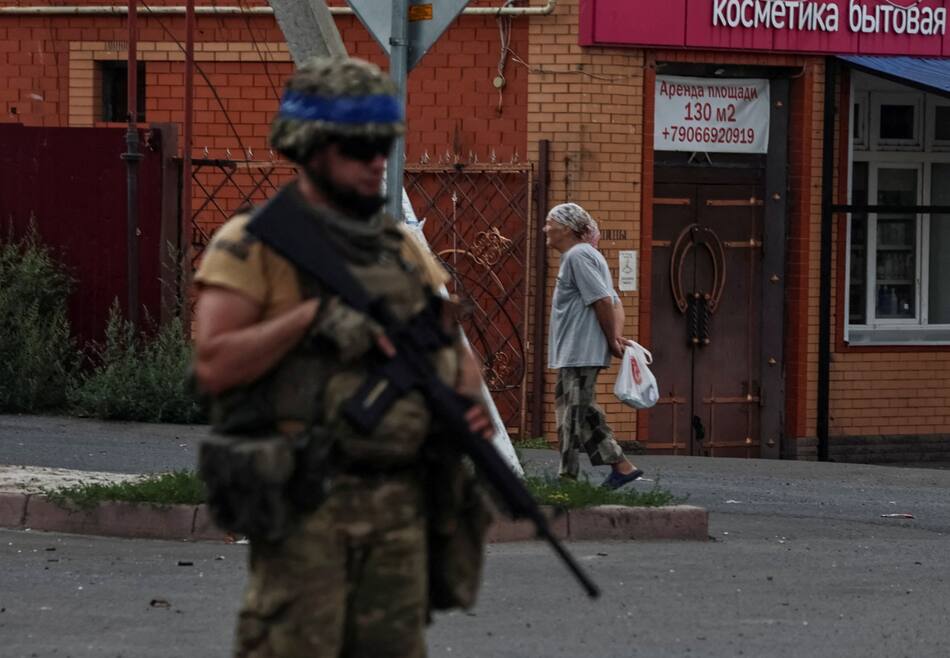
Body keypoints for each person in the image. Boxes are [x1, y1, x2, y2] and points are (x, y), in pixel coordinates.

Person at [191, 56, 492, 658]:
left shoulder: (399, 247)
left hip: (399, 506)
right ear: (311, 147)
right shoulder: (253, 244)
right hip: (309, 503)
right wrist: (312, 318)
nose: (377, 160)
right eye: (359, 148)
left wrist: (462, 402)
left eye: (382, 144)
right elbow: (215, 365)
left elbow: (451, 345)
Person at [544, 202, 643, 490]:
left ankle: (567, 479)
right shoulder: (584, 255)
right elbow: (614, 301)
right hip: (577, 351)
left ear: (567, 228)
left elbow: (603, 300)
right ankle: (621, 466)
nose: (545, 229)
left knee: (570, 416)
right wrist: (614, 336)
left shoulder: (578, 255)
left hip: (580, 351)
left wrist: (613, 339)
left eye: (550, 223)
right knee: (583, 411)